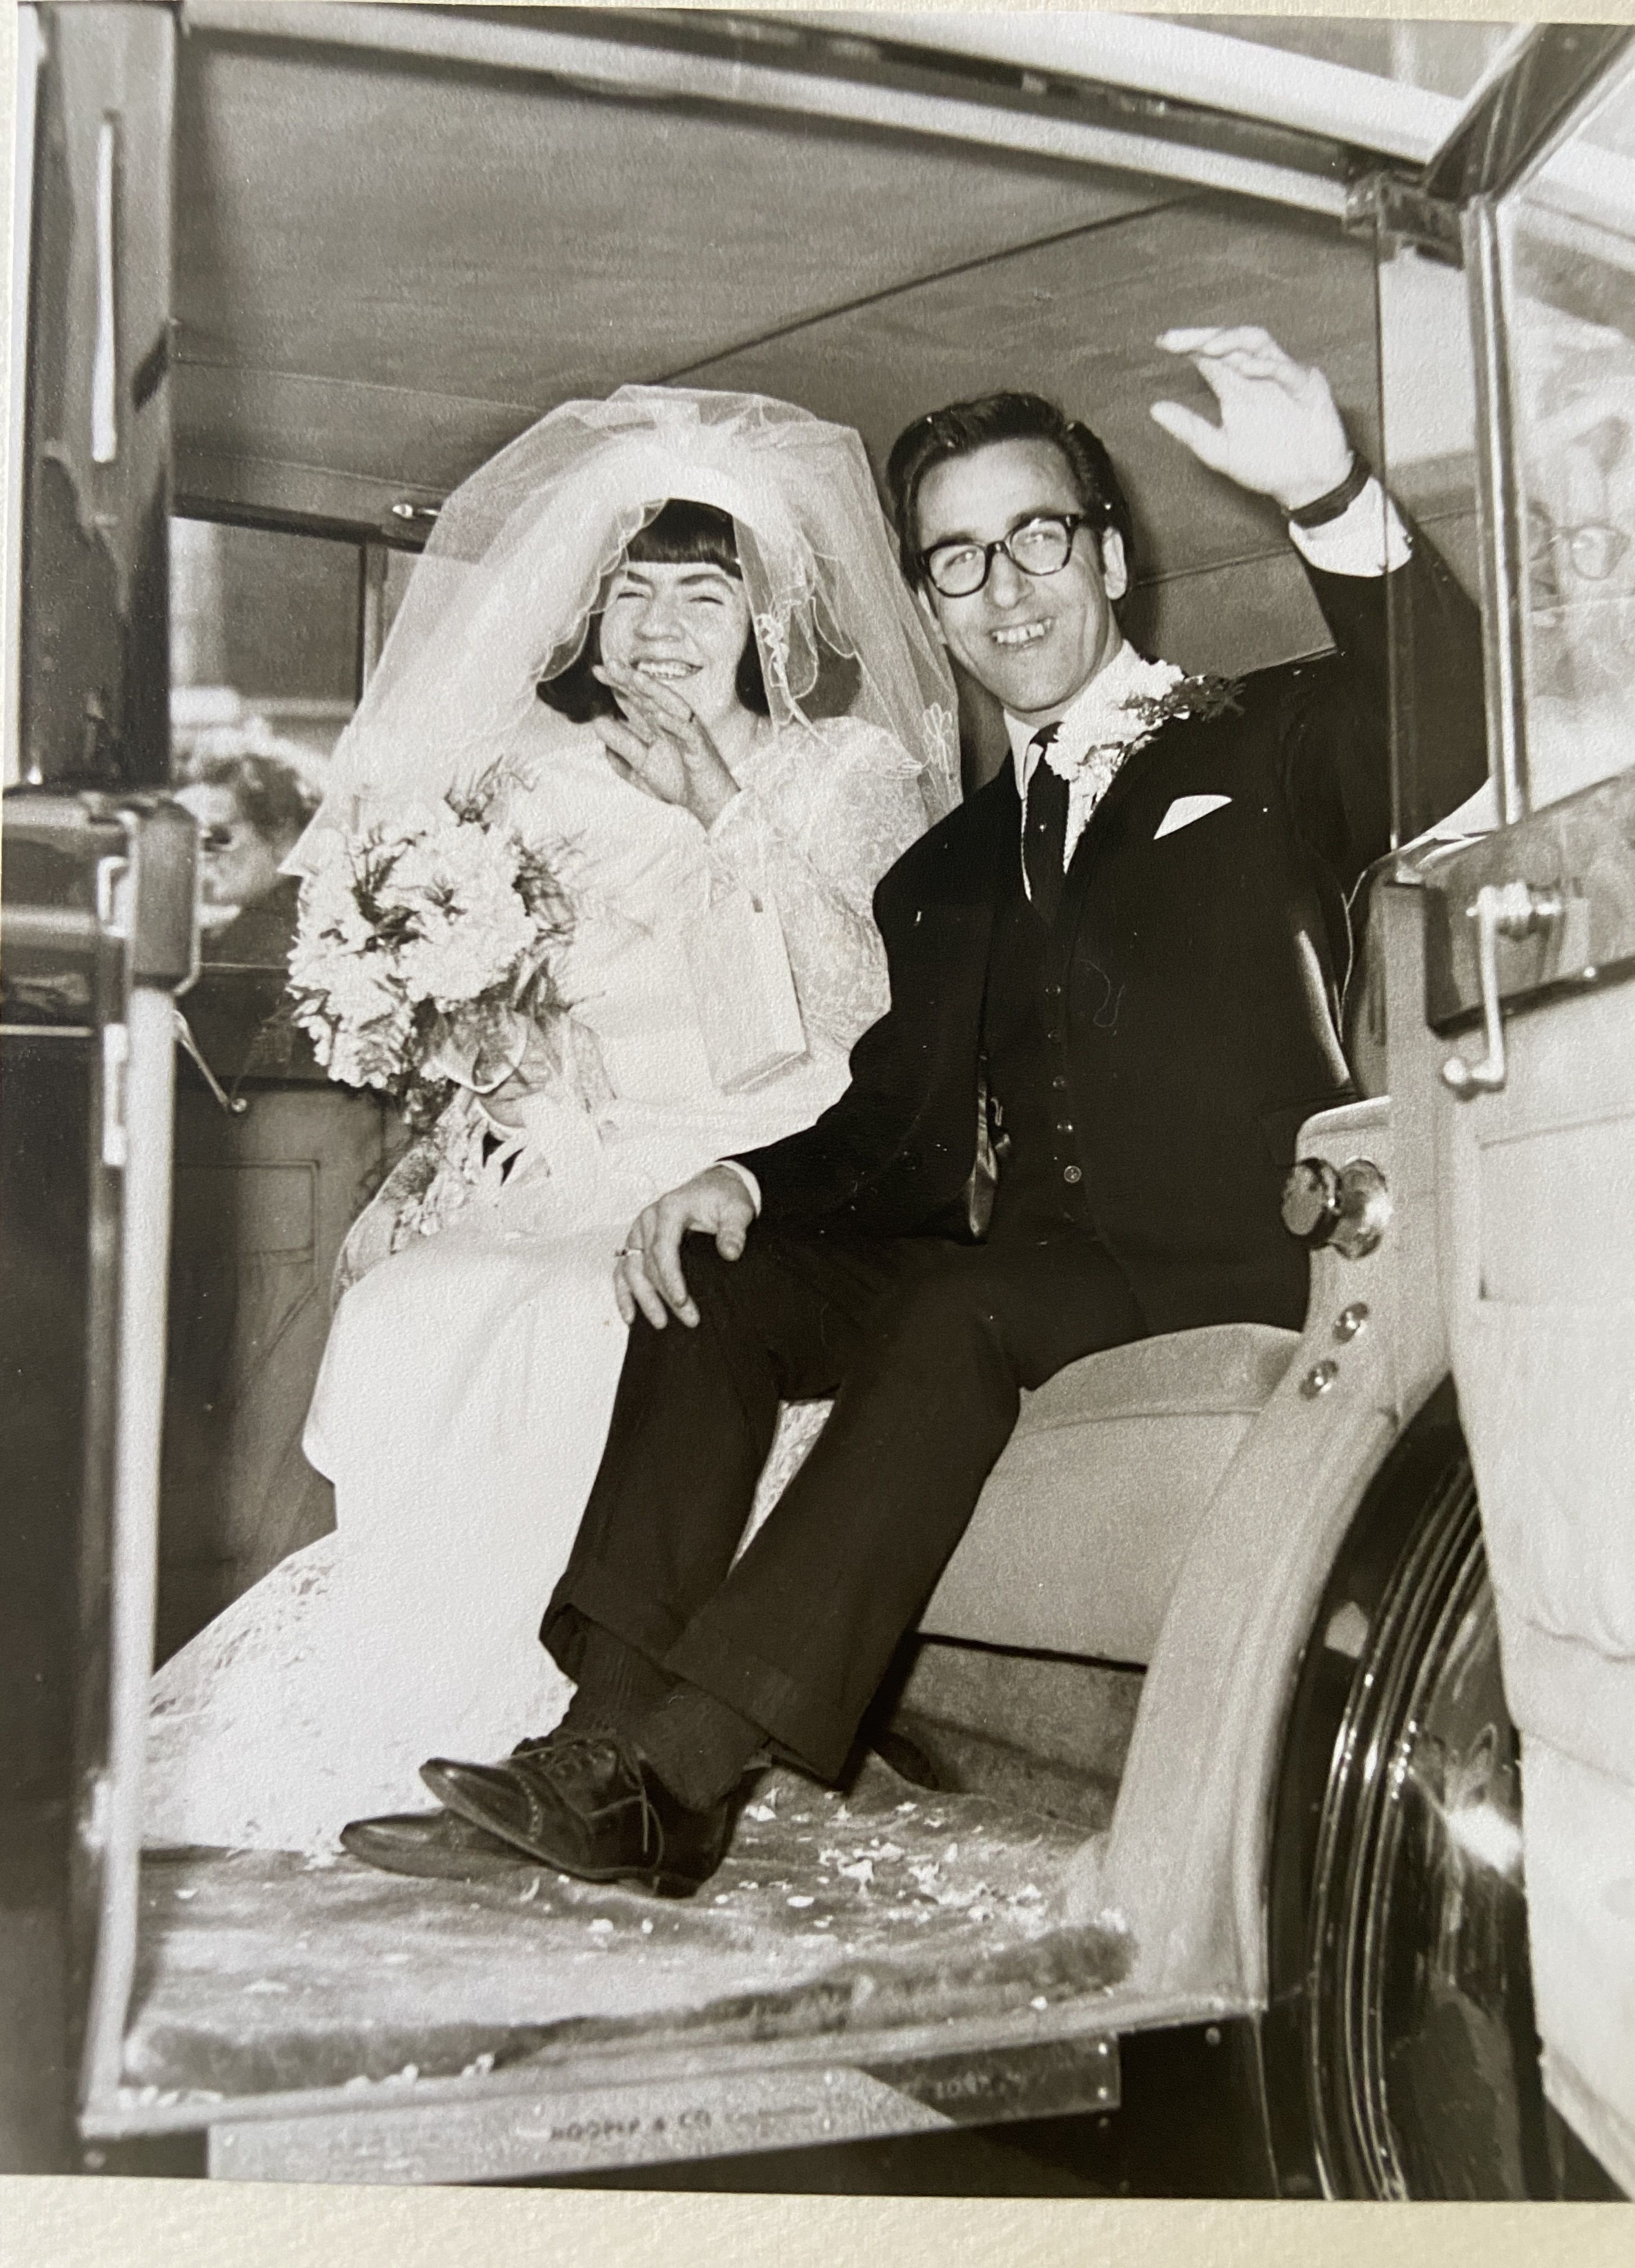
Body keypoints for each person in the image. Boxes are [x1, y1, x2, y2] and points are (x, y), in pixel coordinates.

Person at [350, 327, 1489, 1898]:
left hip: (1229, 1253)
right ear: (930, 603)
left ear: (1109, 555)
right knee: (719, 1277)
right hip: (1038, 1268)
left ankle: (688, 1774)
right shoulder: (942, 873)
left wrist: (1333, 495)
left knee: (964, 1306)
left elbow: (1456, 719)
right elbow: (896, 1130)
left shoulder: (1268, 739)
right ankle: (598, 1746)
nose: (1004, 590)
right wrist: (744, 1182)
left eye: (1038, 540)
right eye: (958, 562)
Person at [145, 388, 956, 1852]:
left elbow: (880, 1012)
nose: (660, 629)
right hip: (582, 1156)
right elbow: (523, 1022)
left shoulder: (846, 773)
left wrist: (727, 814)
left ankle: (579, 1727)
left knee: (585, 1315)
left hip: (767, 1160)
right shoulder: (537, 782)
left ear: (764, 615)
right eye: (632, 593)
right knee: (415, 1299)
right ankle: (423, 1710)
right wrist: (469, 1097)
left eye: (703, 595)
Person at [173, 746, 317, 965]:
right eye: (190, 839)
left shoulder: (281, 936)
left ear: (283, 835)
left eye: (217, 836)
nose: (200, 855)